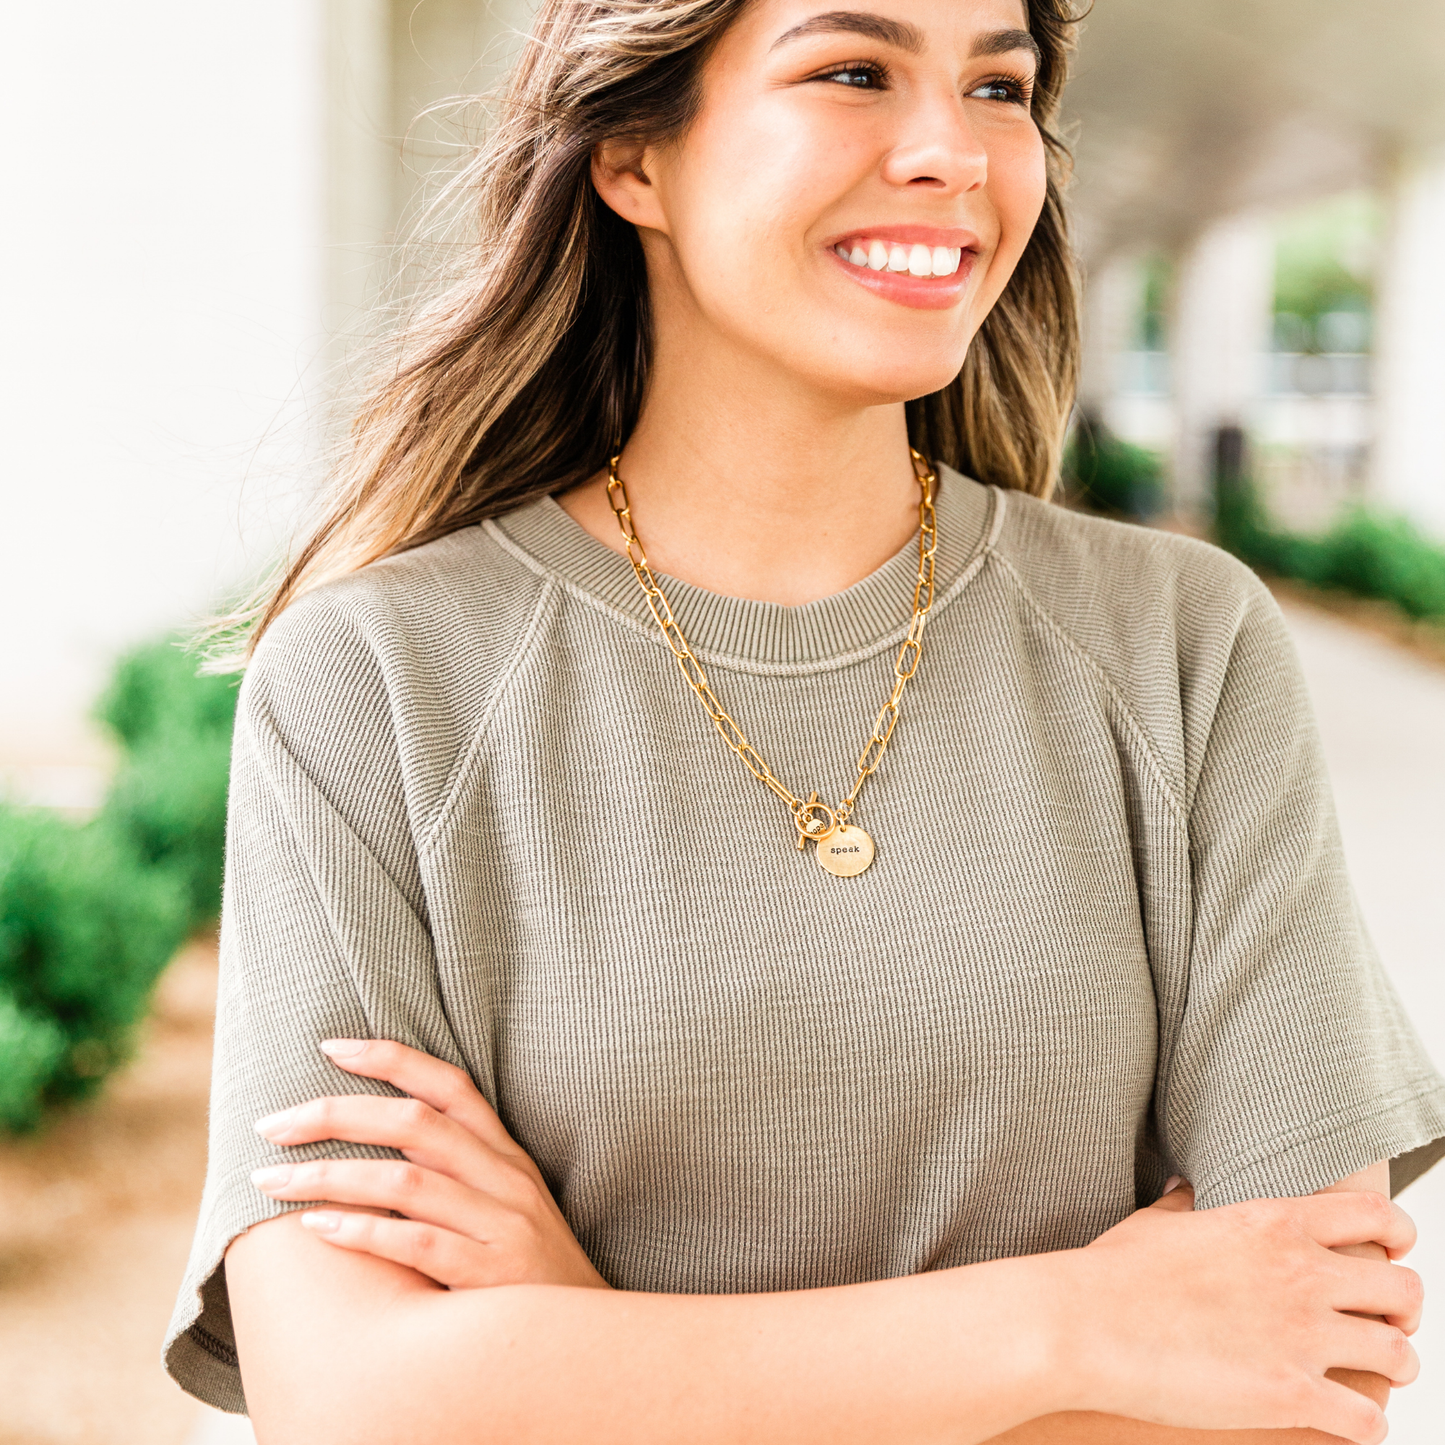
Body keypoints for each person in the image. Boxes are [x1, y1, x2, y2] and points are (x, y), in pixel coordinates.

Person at [165, 2, 1445, 1441]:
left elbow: (1306, 1388)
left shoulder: (1181, 650)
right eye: (854, 71)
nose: (951, 151)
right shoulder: (375, 684)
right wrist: (1080, 1326)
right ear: (634, 155)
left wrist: (579, 1353)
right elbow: (350, 1405)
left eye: (999, 85)